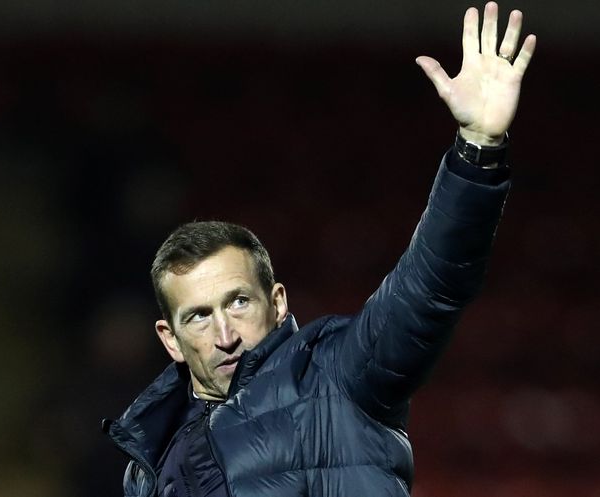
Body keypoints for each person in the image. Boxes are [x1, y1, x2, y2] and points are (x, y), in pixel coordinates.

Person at [103, 3, 536, 496]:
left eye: (239, 301)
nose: (224, 334)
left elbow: (430, 285)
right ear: (170, 338)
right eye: (199, 316)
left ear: (279, 301)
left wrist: (477, 147)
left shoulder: (338, 374)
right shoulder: (145, 460)